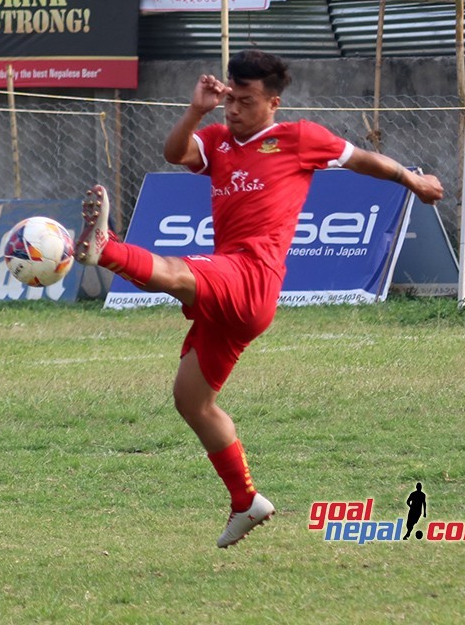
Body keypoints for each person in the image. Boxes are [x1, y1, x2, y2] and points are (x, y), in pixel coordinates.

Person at [75, 50, 444, 549]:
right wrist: (195, 112)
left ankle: (109, 251)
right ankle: (246, 500)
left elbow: (363, 160)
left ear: (273, 102)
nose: (233, 110)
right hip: (234, 283)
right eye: (229, 99)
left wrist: (412, 179)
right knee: (191, 400)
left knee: (181, 272)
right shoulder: (218, 140)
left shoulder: (299, 139)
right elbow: (174, 154)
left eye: (245, 101)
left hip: (254, 276)